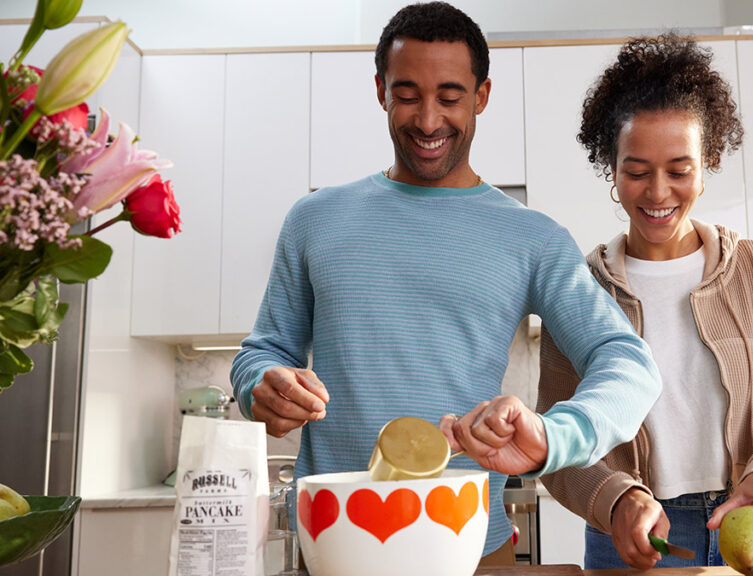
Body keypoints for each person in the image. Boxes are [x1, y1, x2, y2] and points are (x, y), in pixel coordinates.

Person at [229, 2, 662, 564]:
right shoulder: (315, 219)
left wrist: (553, 435)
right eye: (407, 94)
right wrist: (260, 384)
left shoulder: (531, 238)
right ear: (380, 90)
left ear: (481, 96)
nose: (429, 120)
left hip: (470, 550)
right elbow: (263, 351)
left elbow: (629, 364)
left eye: (450, 97)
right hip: (336, 548)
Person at [536, 35, 753, 570]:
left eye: (679, 170)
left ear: (709, 162)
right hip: (629, 533)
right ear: (612, 168)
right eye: (637, 171)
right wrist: (614, 499)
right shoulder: (581, 288)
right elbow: (558, 438)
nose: (657, 192)